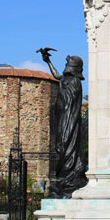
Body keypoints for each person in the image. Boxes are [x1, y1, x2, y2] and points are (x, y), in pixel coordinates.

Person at [38, 49, 87, 198]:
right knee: (60, 147)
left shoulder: (74, 82)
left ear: (73, 67)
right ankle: (62, 179)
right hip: (61, 119)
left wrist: (67, 124)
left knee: (65, 147)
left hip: (68, 120)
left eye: (67, 64)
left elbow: (71, 106)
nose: (65, 66)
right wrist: (48, 61)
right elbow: (57, 75)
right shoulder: (66, 80)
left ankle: (69, 178)